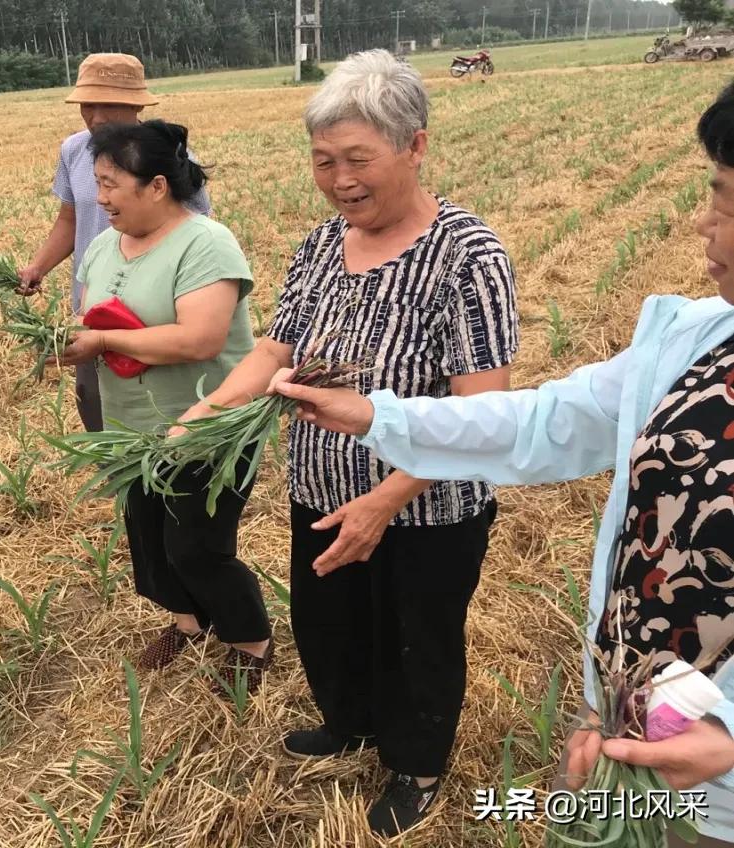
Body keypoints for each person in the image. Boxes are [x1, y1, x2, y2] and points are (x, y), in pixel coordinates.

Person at [262, 80, 734, 847]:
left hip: (715, 781)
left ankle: (415, 766)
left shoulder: (465, 252)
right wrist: (378, 416)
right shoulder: (692, 343)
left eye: (725, 201)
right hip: (628, 709)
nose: (701, 221)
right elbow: (541, 420)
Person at [175, 50, 519, 835]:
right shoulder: (321, 245)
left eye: (358, 159)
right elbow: (275, 349)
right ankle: (350, 722)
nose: (339, 180)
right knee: (330, 624)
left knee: (416, 641)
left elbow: (483, 411)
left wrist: (385, 500)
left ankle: (415, 765)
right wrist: (203, 414)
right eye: (323, 160)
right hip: (321, 491)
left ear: (414, 146)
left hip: (424, 509)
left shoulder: (466, 255)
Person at [52, 119, 272, 696]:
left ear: (156, 186)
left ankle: (250, 641)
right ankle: (189, 622)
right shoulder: (104, 245)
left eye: (110, 184)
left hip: (208, 424)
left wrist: (103, 340)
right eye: (96, 183)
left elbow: (199, 339)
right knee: (148, 540)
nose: (100, 198)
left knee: (196, 547)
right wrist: (64, 340)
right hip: (133, 428)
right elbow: (87, 316)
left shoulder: (206, 243)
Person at [20, 52, 211, 432]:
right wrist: (38, 266)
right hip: (93, 308)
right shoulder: (74, 150)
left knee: (157, 408)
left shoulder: (168, 158)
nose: (96, 117)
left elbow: (196, 233)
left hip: (151, 312)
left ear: (137, 104)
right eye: (88, 105)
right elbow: (70, 218)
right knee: (96, 404)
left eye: (108, 105)